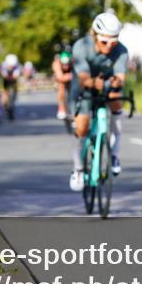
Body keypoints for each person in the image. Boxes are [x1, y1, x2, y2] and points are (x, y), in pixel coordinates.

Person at [68, 12, 130, 192]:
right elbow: (83, 78)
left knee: (117, 99)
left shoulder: (121, 50)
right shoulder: (81, 46)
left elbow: (120, 77)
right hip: (83, 89)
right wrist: (96, 83)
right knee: (82, 127)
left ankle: (114, 155)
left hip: (107, 86)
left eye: (113, 42)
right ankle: (78, 169)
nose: (109, 46)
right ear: (94, 35)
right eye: (104, 41)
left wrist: (115, 82)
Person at [52, 48, 75, 120]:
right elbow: (60, 77)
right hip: (61, 78)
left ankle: (74, 108)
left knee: (74, 89)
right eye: (63, 64)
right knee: (61, 86)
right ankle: (61, 108)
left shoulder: (74, 62)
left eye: (67, 64)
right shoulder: (56, 64)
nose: (65, 66)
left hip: (70, 77)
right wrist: (70, 76)